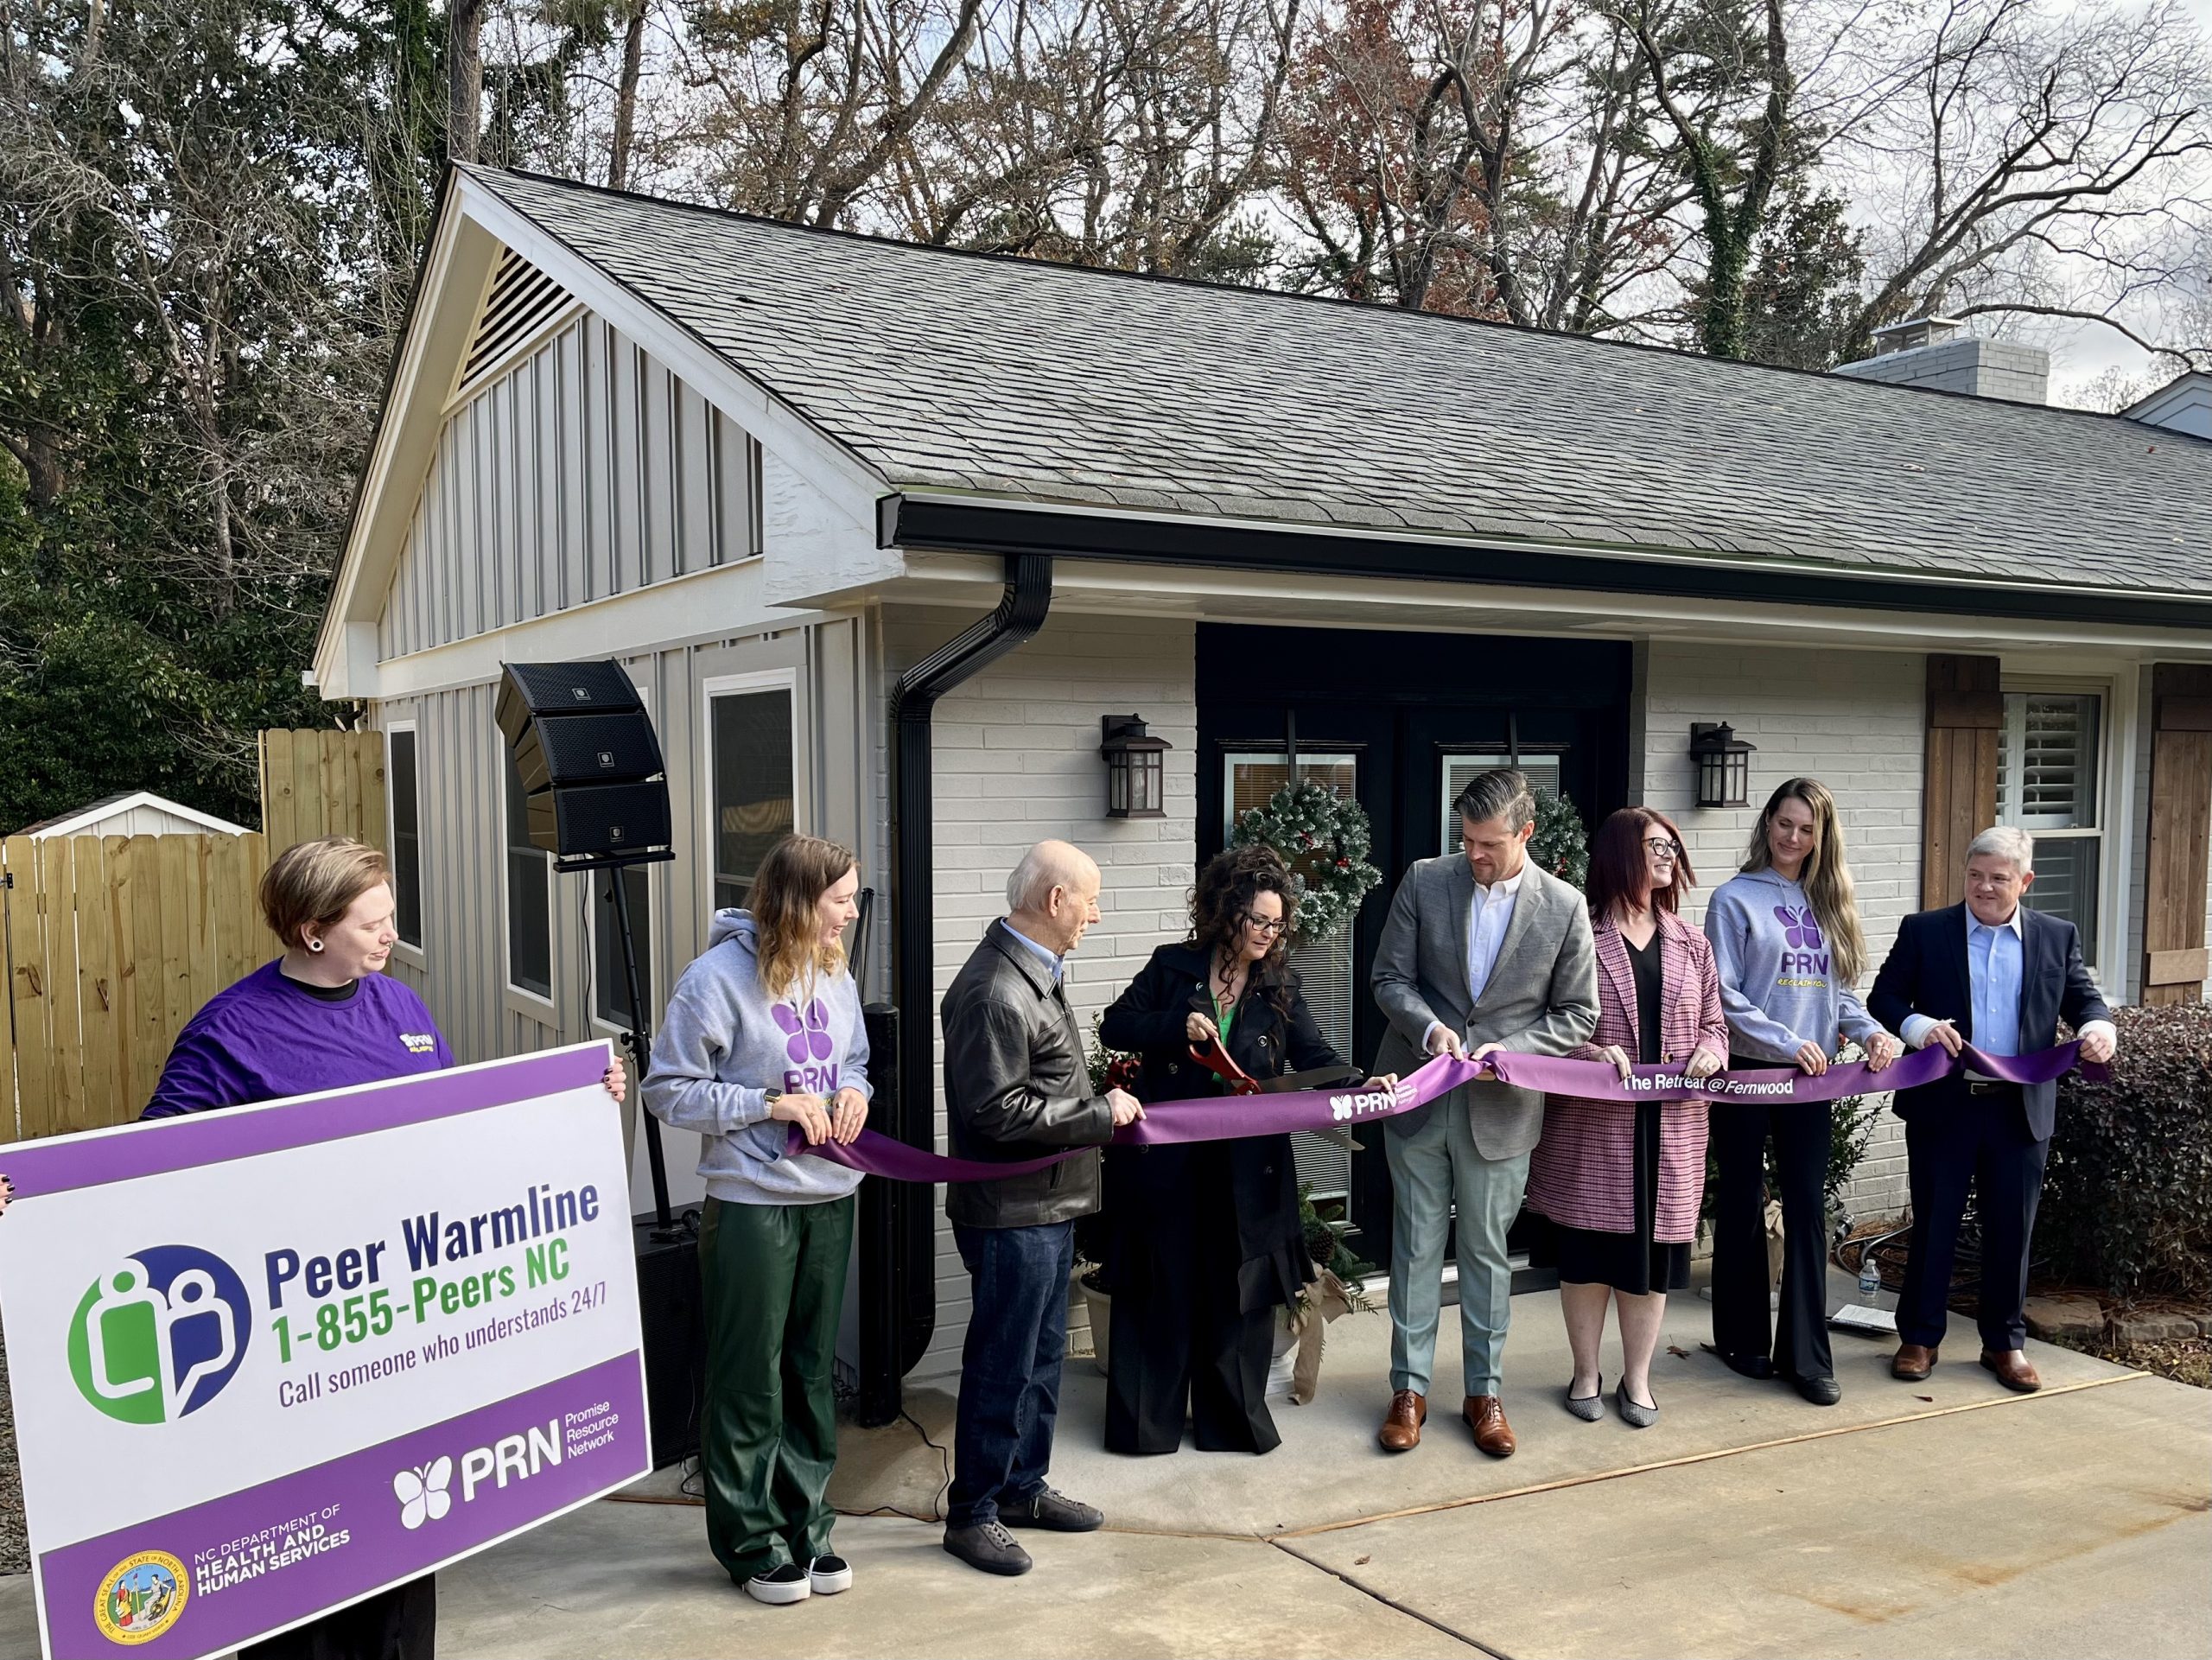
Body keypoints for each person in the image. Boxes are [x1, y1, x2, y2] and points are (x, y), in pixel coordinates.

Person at [139, 836, 626, 1660]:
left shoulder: (401, 1009)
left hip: (398, 1335)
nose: (389, 935)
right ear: (311, 930)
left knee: (402, 1541)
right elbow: (146, 1167)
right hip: (299, 1341)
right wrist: (34, 1195)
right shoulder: (231, 1033)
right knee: (307, 1558)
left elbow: (459, 1131)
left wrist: (579, 1101)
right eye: (372, 923)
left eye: (391, 916)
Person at [1097, 845, 1395, 1457]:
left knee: (1238, 1295)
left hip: (1248, 1169)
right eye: (1257, 920)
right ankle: (1144, 1429)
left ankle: (1229, 1424)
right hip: (1170, 1164)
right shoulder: (1172, 967)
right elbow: (1115, 1025)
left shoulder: (1280, 984)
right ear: (1225, 912)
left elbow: (1314, 1059)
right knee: (1164, 1288)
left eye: (1277, 923)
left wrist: (1361, 1085)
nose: (1267, 933)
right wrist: (1173, 1025)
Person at [644, 835, 872, 1606]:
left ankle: (809, 1527)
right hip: (751, 1202)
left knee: (810, 1371)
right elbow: (668, 1087)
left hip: (830, 1195)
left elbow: (857, 1060)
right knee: (749, 1377)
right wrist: (766, 1104)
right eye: (840, 899)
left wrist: (854, 1094)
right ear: (799, 900)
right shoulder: (714, 979)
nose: (850, 911)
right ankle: (747, 1542)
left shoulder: (836, 968)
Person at [1370, 768, 1600, 1458]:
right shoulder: (1423, 879)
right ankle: (1407, 1391)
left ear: (1526, 833)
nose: (1474, 853)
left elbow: (1579, 1012)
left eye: (1490, 842)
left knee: (1486, 1253)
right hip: (1421, 1091)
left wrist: (1514, 1049)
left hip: (1501, 1107)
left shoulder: (1564, 906)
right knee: (1413, 1248)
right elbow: (1389, 979)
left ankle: (1484, 1392)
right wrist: (1428, 1030)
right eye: (1467, 839)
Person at [938, 841, 1144, 1576]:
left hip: (1048, 1205)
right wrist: (1101, 1113)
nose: (1096, 913)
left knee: (1043, 1356)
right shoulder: (997, 990)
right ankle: (974, 1514)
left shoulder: (1032, 972)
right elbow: (998, 1111)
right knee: (1004, 1363)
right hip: (1012, 1213)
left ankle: (1023, 1487)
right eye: (1089, 899)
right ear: (1055, 901)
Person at [1868, 827, 2116, 1394]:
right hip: (1945, 1105)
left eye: (1998, 877)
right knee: (1934, 1225)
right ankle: (1920, 1336)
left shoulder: (2057, 936)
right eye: (1976, 874)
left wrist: (2099, 1029)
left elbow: (2085, 999)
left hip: (2020, 1109)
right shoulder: (1925, 931)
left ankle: (2004, 1343)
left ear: (2024, 881)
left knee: (2013, 1229)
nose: (1984, 886)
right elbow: (1883, 997)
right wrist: (1919, 1026)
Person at [1525, 810, 1730, 1428]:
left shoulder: (1692, 940)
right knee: (1587, 1255)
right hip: (1593, 1125)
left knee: (1655, 1260)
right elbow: (1542, 1025)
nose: (1667, 856)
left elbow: (1717, 1024)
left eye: (1672, 846)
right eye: (1654, 846)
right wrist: (1589, 1053)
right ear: (1620, 853)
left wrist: (1712, 1050)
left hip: (1671, 1128)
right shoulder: (1578, 933)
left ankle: (1637, 1378)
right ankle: (1586, 1371)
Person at [1704, 778, 1900, 1407]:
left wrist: (1870, 1033)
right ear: (1767, 824)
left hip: (1810, 1079)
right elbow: (1725, 995)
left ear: (1821, 836)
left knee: (1809, 1208)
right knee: (1740, 1198)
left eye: (1806, 828)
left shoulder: (1829, 901)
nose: (1792, 837)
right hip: (1747, 1068)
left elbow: (1842, 994)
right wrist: (1788, 1040)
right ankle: (1742, 1341)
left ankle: (1807, 1356)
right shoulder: (1733, 899)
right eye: (1784, 823)